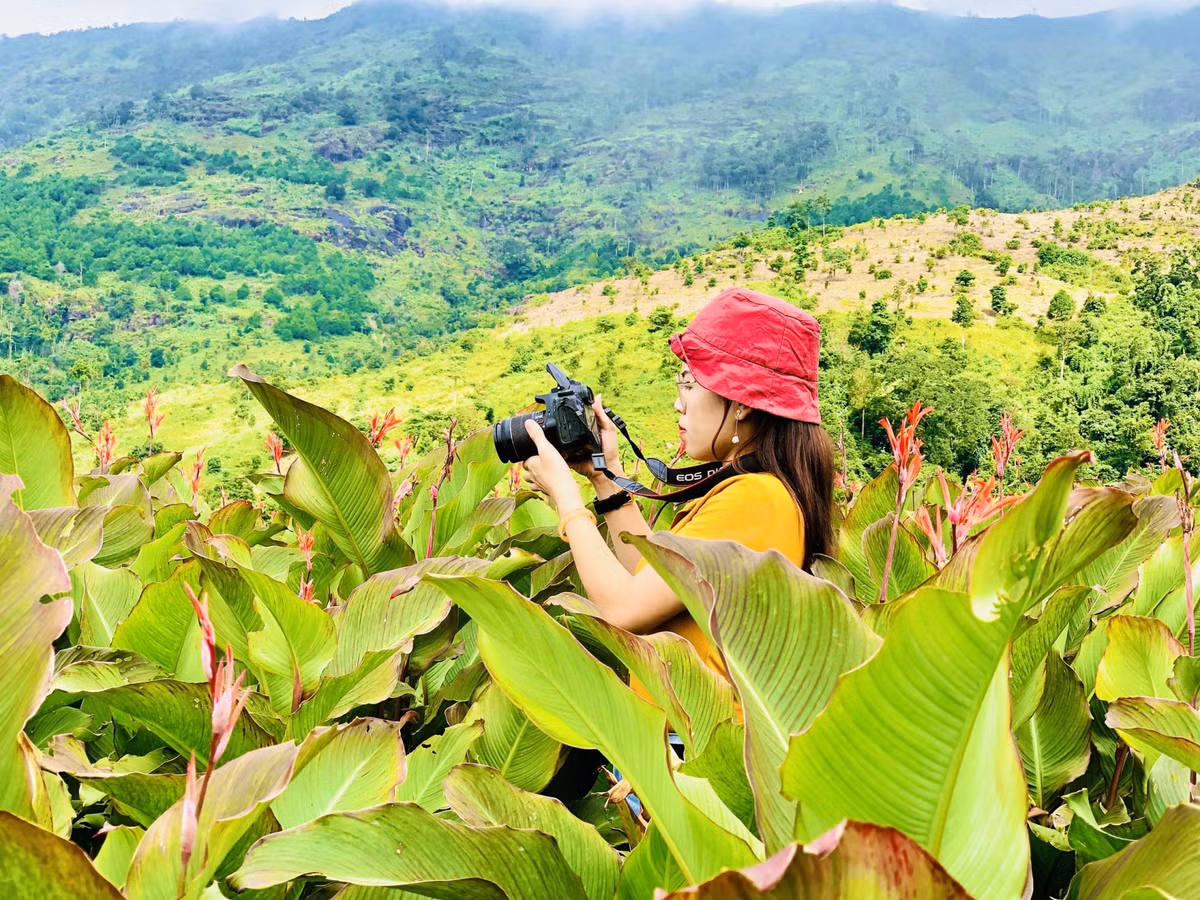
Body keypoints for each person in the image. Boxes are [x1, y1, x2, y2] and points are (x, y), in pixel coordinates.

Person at [522, 287, 835, 687]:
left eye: (689, 383)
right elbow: (652, 582)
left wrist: (567, 500)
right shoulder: (768, 491)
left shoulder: (756, 499)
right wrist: (605, 475)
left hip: (694, 743)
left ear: (743, 402)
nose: (678, 403)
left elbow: (623, 607)